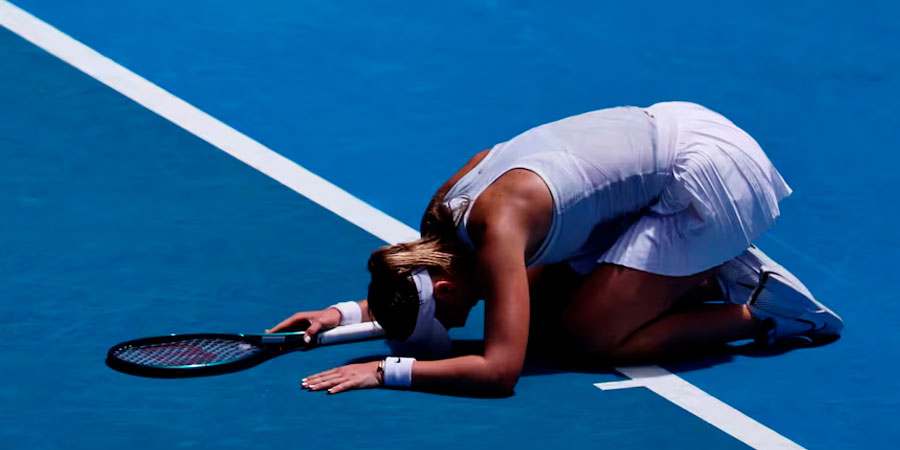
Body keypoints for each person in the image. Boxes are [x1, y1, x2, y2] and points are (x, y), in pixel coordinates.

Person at [268, 101, 843, 396]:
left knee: (585, 340)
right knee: (538, 316)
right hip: (673, 136)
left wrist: (385, 371)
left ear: (443, 287)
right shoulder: (442, 221)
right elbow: (418, 287)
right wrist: (342, 314)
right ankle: (700, 269)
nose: (453, 326)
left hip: (711, 177)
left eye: (442, 320)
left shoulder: (499, 232)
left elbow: (500, 372)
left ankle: (763, 310)